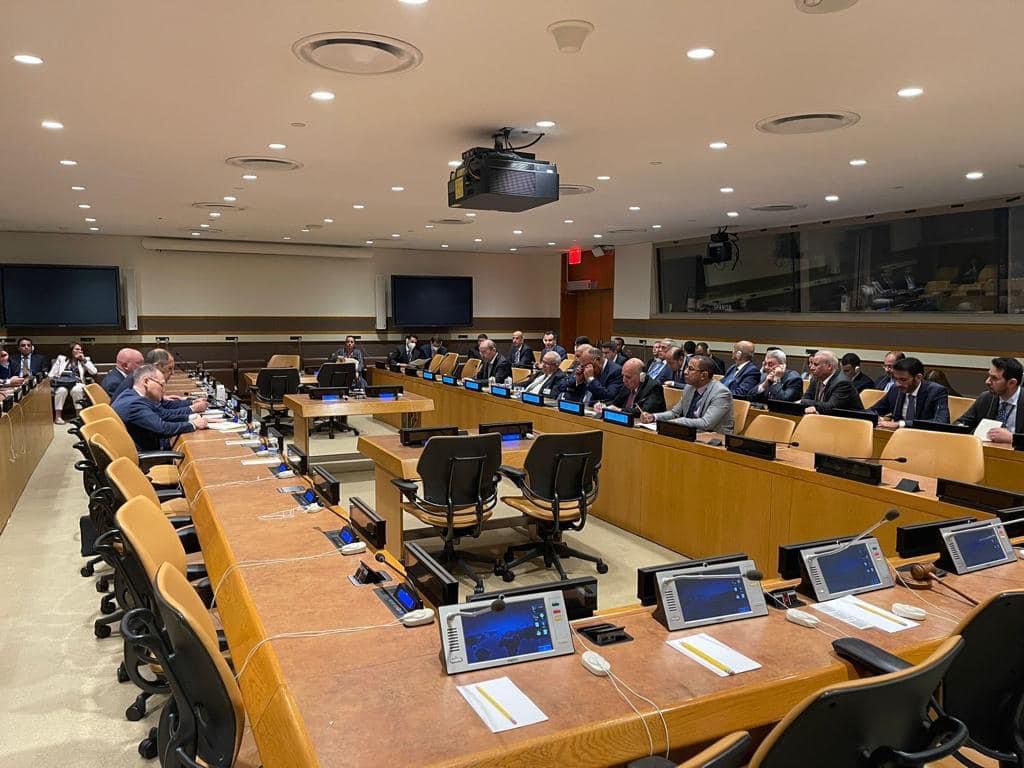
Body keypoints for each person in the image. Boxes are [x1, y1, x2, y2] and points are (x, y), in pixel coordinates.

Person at [112, 364, 208, 451]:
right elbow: (162, 429)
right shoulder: (134, 404)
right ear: (146, 381)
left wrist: (191, 417)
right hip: (149, 456)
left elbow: (162, 415)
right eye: (162, 385)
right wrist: (193, 424)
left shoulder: (131, 395)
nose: (164, 390)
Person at [640, 355, 734, 433]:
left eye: (690, 369)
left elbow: (706, 423)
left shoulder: (721, 393)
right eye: (686, 368)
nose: (685, 372)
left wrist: (678, 422)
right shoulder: (689, 387)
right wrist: (654, 417)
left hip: (714, 438)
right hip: (690, 433)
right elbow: (675, 413)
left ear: (703, 375)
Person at [955, 357, 1024, 443]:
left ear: (1012, 383)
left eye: (994, 378)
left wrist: (1012, 438)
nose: (987, 381)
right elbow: (961, 423)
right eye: (989, 376)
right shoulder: (986, 398)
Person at [869, 357, 950, 429]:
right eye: (896, 379)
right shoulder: (895, 389)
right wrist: (877, 418)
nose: (898, 384)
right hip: (897, 435)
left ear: (918, 377)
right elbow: (874, 410)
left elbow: (941, 421)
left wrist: (901, 424)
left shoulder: (936, 391)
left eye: (903, 380)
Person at [596, 358, 665, 417]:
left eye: (628, 377)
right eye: (623, 376)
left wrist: (620, 410)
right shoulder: (627, 385)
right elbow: (616, 402)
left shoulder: (654, 387)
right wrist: (604, 405)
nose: (624, 380)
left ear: (642, 376)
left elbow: (645, 411)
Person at [48, 342, 98, 424]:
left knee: (76, 390)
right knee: (61, 391)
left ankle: (79, 416)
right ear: (71, 350)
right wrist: (54, 379)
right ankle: (58, 417)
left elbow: (94, 372)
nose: (80, 351)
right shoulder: (61, 358)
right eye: (77, 349)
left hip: (77, 383)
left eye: (81, 350)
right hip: (62, 382)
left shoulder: (85, 359)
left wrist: (83, 360)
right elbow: (51, 374)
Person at [800, 350, 863, 414]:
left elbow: (830, 407)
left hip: (849, 419)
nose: (811, 368)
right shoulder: (815, 379)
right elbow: (805, 398)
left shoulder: (842, 383)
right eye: (811, 364)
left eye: (816, 365)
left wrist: (808, 403)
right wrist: (806, 402)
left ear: (829, 366)